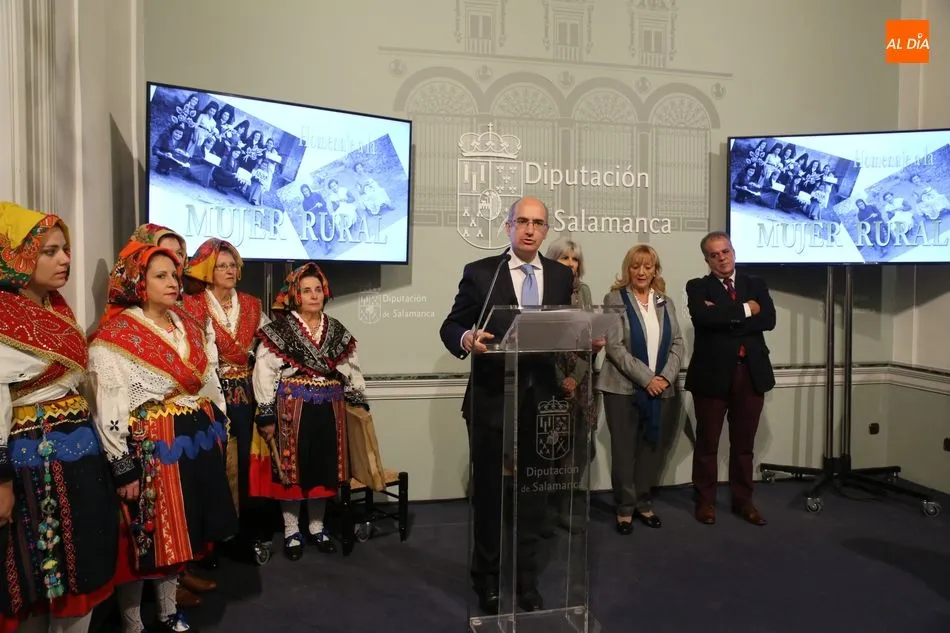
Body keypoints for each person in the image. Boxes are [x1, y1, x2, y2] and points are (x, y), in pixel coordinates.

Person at [87, 240, 238, 633]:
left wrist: (219, 425)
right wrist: (122, 465)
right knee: (145, 539)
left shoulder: (188, 325)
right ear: (139, 282)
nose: (172, 282)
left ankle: (169, 610)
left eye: (174, 274)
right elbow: (111, 404)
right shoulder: (116, 336)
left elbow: (208, 382)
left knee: (181, 536)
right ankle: (132, 620)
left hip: (194, 444)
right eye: (160, 276)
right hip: (152, 449)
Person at [439, 196, 578, 615]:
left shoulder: (558, 275)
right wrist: (467, 339)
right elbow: (451, 325)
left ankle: (527, 580)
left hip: (541, 402)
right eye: (522, 221)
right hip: (491, 399)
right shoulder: (482, 272)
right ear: (508, 226)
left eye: (538, 223)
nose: (530, 230)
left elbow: (563, 326)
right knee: (490, 495)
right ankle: (487, 579)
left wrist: (584, 335)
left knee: (534, 498)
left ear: (546, 230)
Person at [0, 202, 119, 633]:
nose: (66, 259)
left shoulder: (58, 308)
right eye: (50, 251)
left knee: (80, 564)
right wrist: (1, 479)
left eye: (64, 249)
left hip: (79, 452)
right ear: (16, 256)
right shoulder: (3, 316)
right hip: (34, 460)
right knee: (39, 569)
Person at [250, 263, 368, 561]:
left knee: (323, 470)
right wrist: (266, 413)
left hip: (330, 409)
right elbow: (264, 371)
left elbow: (351, 369)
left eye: (318, 289)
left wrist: (357, 397)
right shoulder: (279, 331)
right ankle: (291, 530)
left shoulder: (337, 330)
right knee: (292, 471)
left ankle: (317, 527)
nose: (313, 295)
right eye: (306, 291)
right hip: (292, 410)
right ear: (295, 295)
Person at [127, 224, 218, 604]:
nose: (175, 274)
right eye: (162, 267)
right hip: (156, 435)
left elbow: (201, 373)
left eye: (179, 262)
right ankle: (161, 594)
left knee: (186, 512)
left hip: (188, 427)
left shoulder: (186, 321)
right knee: (159, 520)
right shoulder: (124, 326)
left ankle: (180, 575)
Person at [183, 239, 274, 563]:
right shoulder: (192, 304)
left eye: (233, 265)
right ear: (208, 270)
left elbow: (266, 346)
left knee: (247, 463)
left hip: (245, 395)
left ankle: (243, 532)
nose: (229, 271)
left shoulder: (251, 304)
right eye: (222, 265)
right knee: (214, 462)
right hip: (208, 393)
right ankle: (211, 539)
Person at [685, 231, 775, 526]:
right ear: (707, 259)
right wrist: (748, 309)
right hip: (712, 375)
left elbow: (769, 320)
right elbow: (703, 319)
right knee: (707, 443)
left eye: (725, 251)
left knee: (743, 445)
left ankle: (743, 501)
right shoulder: (698, 286)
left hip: (750, 373)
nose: (722, 258)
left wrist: (723, 314)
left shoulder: (755, 283)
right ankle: (706, 502)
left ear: (733, 252)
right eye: (714, 254)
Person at [598, 244, 684, 534]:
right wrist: (647, 379)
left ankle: (643, 503)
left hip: (662, 389)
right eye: (636, 266)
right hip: (622, 389)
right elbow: (614, 346)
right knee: (624, 452)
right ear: (628, 269)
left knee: (651, 449)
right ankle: (624, 509)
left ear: (655, 270)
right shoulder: (614, 299)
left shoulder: (665, 302)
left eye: (648, 266)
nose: (642, 272)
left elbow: (677, 344)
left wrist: (664, 379)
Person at [544, 237, 599, 533]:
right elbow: (540, 342)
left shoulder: (586, 293)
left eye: (574, 259)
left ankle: (564, 509)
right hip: (547, 381)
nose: (570, 264)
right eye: (564, 258)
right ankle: (543, 512)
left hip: (581, 382)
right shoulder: (542, 291)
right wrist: (559, 379)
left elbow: (590, 339)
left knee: (572, 456)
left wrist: (574, 377)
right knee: (546, 453)